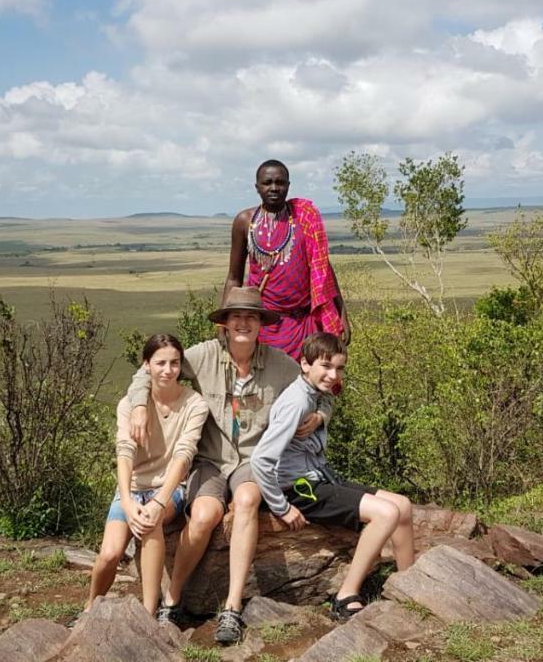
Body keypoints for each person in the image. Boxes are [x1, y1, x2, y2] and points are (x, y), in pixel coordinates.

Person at [125, 286, 331, 644]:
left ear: (260, 323)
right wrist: (140, 405)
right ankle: (172, 599)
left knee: (249, 500)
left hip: (253, 460)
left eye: (251, 316)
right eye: (236, 316)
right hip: (210, 460)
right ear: (223, 323)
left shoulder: (281, 364)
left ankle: (232, 608)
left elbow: (322, 386)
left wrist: (320, 415)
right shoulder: (202, 356)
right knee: (204, 515)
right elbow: (151, 369)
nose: (243, 323)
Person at [251, 332, 415, 621]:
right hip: (298, 488)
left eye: (339, 368)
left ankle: (409, 585)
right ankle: (346, 595)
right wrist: (281, 506)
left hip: (318, 476)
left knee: (402, 506)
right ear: (305, 364)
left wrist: (321, 417)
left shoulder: (315, 394)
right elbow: (262, 459)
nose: (332, 375)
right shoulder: (296, 402)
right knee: (387, 514)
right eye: (326, 366)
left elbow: (326, 403)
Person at [86, 334, 208, 616]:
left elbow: (183, 455)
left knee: (152, 523)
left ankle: (147, 612)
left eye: (175, 363)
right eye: (160, 363)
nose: (168, 370)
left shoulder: (194, 404)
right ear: (147, 366)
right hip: (132, 488)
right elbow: (125, 452)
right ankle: (89, 607)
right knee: (109, 554)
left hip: (169, 487)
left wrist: (158, 502)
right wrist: (127, 501)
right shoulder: (130, 405)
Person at [225, 159, 349, 360]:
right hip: (263, 323)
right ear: (257, 187)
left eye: (280, 183)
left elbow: (322, 270)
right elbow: (233, 278)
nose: (274, 188)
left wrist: (341, 312)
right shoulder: (244, 221)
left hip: (305, 324)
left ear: (288, 186)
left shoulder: (304, 218)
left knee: (312, 381)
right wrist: (224, 322)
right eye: (267, 183)